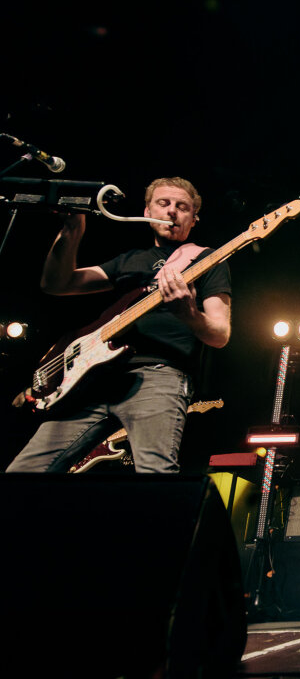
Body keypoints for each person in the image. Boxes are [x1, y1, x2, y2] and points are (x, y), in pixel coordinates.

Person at [7, 177, 231, 474]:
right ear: (147, 209)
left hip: (159, 375)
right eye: (163, 203)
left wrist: (187, 312)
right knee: (24, 471)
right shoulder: (130, 260)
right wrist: (72, 230)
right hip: (95, 377)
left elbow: (220, 334)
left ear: (194, 218)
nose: (172, 211)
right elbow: (57, 283)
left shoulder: (206, 259)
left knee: (155, 475)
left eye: (182, 207)